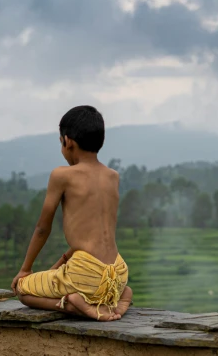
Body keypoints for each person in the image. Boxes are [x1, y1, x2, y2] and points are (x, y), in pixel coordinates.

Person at [11, 106, 132, 321]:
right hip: (118, 272)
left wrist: (25, 270)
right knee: (106, 286)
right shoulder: (113, 176)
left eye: (61, 143)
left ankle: (73, 305)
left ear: (68, 142)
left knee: (22, 291)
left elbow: (42, 228)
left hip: (85, 276)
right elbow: (88, 238)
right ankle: (120, 299)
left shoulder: (62, 175)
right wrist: (58, 265)